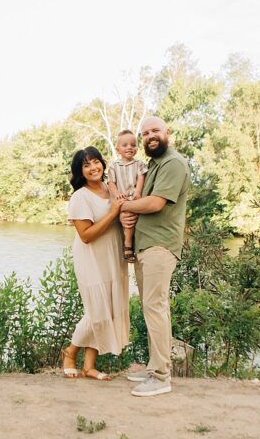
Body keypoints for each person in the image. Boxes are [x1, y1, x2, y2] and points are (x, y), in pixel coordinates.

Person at [119, 116, 191, 397]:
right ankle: (155, 367)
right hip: (146, 245)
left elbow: (155, 203)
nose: (150, 136)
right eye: (145, 132)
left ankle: (161, 377)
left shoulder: (173, 163)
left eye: (155, 130)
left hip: (160, 246)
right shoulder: (154, 164)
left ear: (167, 133)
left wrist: (125, 205)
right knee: (155, 309)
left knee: (155, 308)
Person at [60, 146, 130, 381]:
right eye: (86, 165)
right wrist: (112, 212)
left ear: (102, 162)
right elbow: (86, 235)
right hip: (91, 258)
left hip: (113, 256)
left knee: (108, 309)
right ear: (80, 171)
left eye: (96, 162)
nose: (93, 168)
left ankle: (89, 366)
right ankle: (70, 353)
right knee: (96, 311)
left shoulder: (110, 189)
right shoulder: (80, 196)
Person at [106, 129, 148, 264]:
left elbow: (141, 178)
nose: (129, 147)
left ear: (136, 148)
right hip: (122, 198)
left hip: (134, 196)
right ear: (118, 149)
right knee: (128, 218)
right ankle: (128, 245)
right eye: (125, 145)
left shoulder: (139, 164)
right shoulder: (114, 166)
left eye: (133, 145)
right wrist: (117, 195)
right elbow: (111, 182)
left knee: (134, 218)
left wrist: (138, 191)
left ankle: (132, 244)